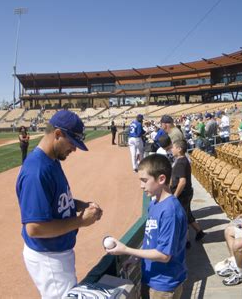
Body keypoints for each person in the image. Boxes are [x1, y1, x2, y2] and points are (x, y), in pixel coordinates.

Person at [16, 110, 103, 298]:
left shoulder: (52, 160)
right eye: (72, 143)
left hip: (57, 253)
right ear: (57, 134)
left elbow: (55, 200)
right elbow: (34, 228)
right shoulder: (36, 171)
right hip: (49, 257)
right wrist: (80, 221)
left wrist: (81, 205)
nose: (74, 149)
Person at [105, 154, 187, 299]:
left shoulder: (170, 211)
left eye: (144, 180)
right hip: (150, 277)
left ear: (161, 179)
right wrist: (136, 258)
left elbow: (164, 255)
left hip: (163, 286)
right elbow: (152, 241)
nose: (141, 186)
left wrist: (126, 249)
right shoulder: (154, 204)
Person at [171, 139, 206, 249]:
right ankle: (199, 232)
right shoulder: (182, 160)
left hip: (183, 194)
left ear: (179, 149)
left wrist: (175, 195)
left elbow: (182, 181)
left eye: (174, 147)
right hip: (186, 193)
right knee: (187, 214)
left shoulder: (181, 162)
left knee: (183, 217)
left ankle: (186, 242)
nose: (172, 149)